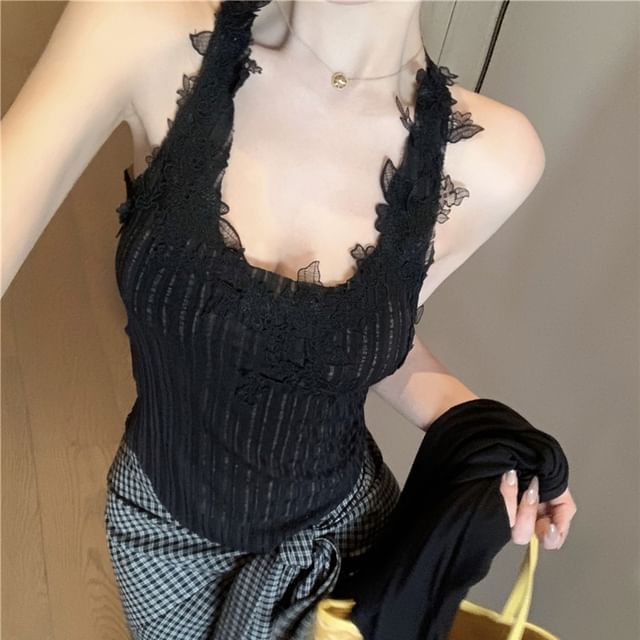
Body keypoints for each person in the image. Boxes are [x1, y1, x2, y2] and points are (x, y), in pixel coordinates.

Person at [2, 1, 577, 638]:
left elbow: (356, 341)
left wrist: (484, 432)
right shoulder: (136, 28)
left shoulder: (495, 159)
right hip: (159, 530)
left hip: (343, 550)